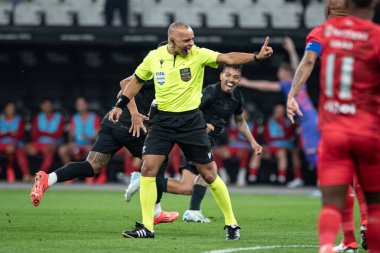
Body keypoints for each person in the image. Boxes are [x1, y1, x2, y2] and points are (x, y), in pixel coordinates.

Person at [108, 21, 273, 239]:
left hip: (191, 122)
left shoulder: (198, 54)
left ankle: (232, 224)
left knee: (209, 174)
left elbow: (229, 58)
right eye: (186, 40)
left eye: (192, 39)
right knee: (148, 168)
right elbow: (136, 81)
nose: (191, 43)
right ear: (172, 40)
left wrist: (255, 57)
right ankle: (147, 227)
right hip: (162, 122)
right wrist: (120, 105)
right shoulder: (154, 57)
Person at [286, 1, 380, 252]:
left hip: (335, 124)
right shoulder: (373, 34)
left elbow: (308, 62)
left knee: (337, 188)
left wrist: (292, 95)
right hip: (368, 124)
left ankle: (343, 242)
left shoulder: (321, 33)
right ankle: (366, 230)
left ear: (328, 10)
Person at [30, 76, 179, 225]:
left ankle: (48, 179)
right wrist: (134, 113)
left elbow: (122, 93)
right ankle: (156, 212)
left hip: (112, 123)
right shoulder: (159, 68)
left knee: (91, 166)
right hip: (129, 125)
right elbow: (125, 83)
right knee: (159, 161)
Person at [125, 64, 263, 223]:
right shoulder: (211, 92)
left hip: (207, 141)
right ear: (221, 76)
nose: (231, 80)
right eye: (228, 75)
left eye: (235, 77)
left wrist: (253, 142)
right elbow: (188, 109)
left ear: (240, 80)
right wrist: (203, 124)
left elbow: (240, 122)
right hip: (196, 139)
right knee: (208, 175)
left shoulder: (237, 98)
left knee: (188, 187)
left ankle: (147, 183)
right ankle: (192, 210)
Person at [239, 37, 318, 188]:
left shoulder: (297, 81)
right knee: (312, 154)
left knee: (314, 154)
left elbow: (298, 66)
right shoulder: (285, 86)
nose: (278, 74)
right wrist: (248, 83)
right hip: (307, 121)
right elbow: (266, 86)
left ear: (287, 73)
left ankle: (327, 185)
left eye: (280, 72)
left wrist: (291, 49)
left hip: (310, 121)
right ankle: (324, 185)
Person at [58, 97, 101, 184]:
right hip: (77, 145)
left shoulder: (95, 117)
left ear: (86, 105)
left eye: (82, 104)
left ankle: (89, 176)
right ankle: (70, 175)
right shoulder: (74, 118)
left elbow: (99, 136)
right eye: (78, 105)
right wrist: (72, 144)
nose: (81, 106)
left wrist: (88, 137)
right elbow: (71, 135)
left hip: (91, 145)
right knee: (62, 150)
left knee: (91, 150)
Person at [24, 98, 65, 174]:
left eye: (49, 105)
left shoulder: (59, 117)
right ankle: (26, 174)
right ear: (41, 106)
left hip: (53, 143)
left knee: (49, 150)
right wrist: (50, 133)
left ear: (53, 106)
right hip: (39, 143)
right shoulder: (37, 117)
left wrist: (42, 133)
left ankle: (40, 175)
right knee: (24, 148)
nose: (47, 107)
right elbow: (34, 134)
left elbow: (58, 135)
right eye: (45, 105)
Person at [0, 101, 30, 182]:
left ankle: (25, 175)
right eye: (9, 108)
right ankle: (9, 169)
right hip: (1, 143)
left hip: (15, 143)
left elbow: (19, 135)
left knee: (18, 151)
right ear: (5, 109)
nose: (10, 110)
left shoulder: (20, 120)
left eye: (12, 108)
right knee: (9, 148)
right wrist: (10, 133)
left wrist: (4, 133)